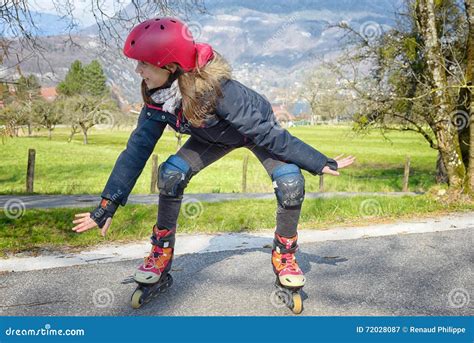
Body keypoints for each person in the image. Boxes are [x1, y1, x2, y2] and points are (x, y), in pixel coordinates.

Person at [72, 17, 355, 290]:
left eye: (144, 64)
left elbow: (267, 133)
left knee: (291, 183)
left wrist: (318, 162)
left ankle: (285, 255)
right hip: (211, 137)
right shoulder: (158, 97)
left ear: (170, 66)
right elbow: (137, 149)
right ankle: (161, 251)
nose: (138, 72)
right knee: (170, 174)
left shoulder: (218, 91)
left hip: (253, 132)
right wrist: (108, 205)